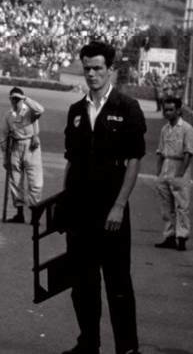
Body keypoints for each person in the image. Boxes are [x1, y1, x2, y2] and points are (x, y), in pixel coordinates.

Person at [60, 40, 146, 354]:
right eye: (87, 69)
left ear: (111, 69)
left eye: (98, 68)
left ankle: (127, 348)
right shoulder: (76, 111)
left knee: (117, 283)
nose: (92, 74)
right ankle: (88, 343)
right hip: (80, 209)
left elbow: (135, 160)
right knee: (82, 284)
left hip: (111, 209)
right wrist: (63, 203)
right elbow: (71, 160)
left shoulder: (127, 108)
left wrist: (120, 205)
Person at [153, 96, 193, 250]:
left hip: (179, 166)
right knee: (166, 205)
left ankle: (182, 236)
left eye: (171, 110)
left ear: (178, 110)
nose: (168, 113)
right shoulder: (165, 129)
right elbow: (160, 150)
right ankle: (169, 236)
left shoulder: (187, 129)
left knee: (182, 204)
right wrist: (158, 173)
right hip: (166, 165)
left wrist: (181, 173)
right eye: (165, 110)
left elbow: (188, 152)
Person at [0, 86, 45, 223]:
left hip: (31, 146)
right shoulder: (8, 116)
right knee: (15, 181)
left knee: (35, 182)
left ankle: (35, 213)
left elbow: (40, 109)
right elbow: (3, 137)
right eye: (12, 99)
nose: (15, 102)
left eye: (17, 99)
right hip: (15, 147)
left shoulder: (29, 111)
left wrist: (25, 99)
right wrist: (5, 157)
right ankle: (19, 213)